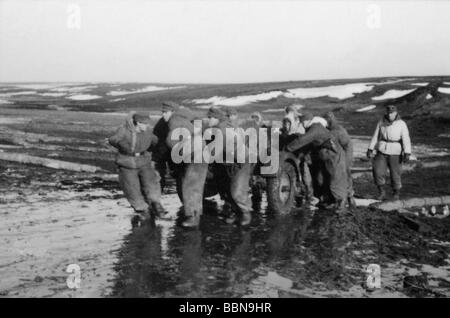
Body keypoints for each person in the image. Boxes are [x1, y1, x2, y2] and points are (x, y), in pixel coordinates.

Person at [108, 112, 168, 222]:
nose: (146, 126)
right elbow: (113, 139)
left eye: (147, 124)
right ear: (137, 123)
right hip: (127, 163)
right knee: (131, 188)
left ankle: (157, 206)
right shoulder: (124, 129)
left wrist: (162, 148)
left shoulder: (148, 131)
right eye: (144, 124)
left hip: (144, 161)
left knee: (152, 184)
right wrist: (121, 144)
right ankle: (142, 210)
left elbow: (156, 141)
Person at [286, 113, 348, 213]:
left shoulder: (315, 128)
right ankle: (331, 202)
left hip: (334, 155)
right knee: (326, 179)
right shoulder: (315, 127)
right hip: (328, 155)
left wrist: (288, 148)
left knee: (336, 178)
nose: (302, 125)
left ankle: (341, 205)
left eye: (302, 123)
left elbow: (302, 140)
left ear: (306, 121)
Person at [207, 106, 254, 226]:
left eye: (210, 118)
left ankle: (245, 213)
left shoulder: (222, 130)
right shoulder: (217, 129)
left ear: (216, 118)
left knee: (237, 189)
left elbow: (212, 151)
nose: (209, 120)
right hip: (228, 162)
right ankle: (234, 211)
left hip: (241, 161)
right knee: (226, 187)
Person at [367, 105, 411, 201]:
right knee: (377, 171)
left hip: (395, 151)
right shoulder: (381, 121)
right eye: (388, 112)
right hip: (382, 149)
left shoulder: (401, 124)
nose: (389, 114)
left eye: (391, 113)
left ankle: (396, 193)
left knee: (395, 174)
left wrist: (407, 152)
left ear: (396, 113)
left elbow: (406, 138)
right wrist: (370, 148)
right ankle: (381, 192)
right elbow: (375, 136)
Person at [324, 111, 356, 208]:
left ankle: (349, 198)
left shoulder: (338, 130)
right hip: (335, 159)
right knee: (335, 178)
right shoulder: (328, 129)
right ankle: (338, 199)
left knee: (344, 176)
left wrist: (346, 161)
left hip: (343, 158)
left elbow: (347, 145)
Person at [152, 101, 180, 191]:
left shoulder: (181, 122)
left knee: (182, 180)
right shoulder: (161, 123)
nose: (164, 115)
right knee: (158, 178)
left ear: (173, 112)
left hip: (178, 156)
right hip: (162, 156)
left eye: (166, 112)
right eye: (163, 112)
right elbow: (156, 141)